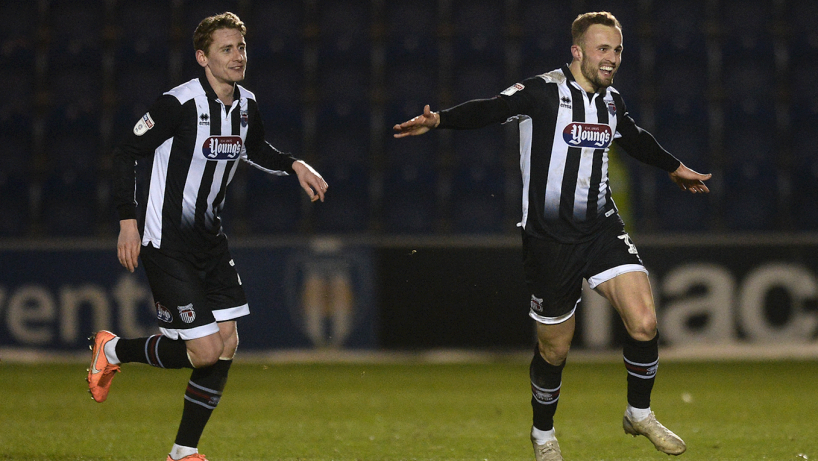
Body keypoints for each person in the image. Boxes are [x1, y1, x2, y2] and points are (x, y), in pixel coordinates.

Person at [394, 11, 710, 461]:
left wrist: (674, 167)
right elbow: (493, 108)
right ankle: (543, 436)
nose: (612, 58)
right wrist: (439, 120)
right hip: (549, 240)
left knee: (644, 322)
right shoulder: (542, 91)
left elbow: (634, 137)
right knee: (555, 348)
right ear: (577, 50)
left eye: (618, 50)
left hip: (601, 227)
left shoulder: (611, 102)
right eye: (603, 49)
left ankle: (639, 413)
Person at [88, 12, 328, 461]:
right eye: (226, 49)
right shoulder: (176, 104)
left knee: (227, 343)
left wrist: (294, 164)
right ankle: (115, 349)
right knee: (203, 351)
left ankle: (184, 452)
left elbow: (255, 148)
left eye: (240, 48)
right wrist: (128, 221)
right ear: (203, 57)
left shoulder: (246, 104)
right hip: (166, 242)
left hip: (210, 240)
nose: (237, 57)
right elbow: (126, 154)